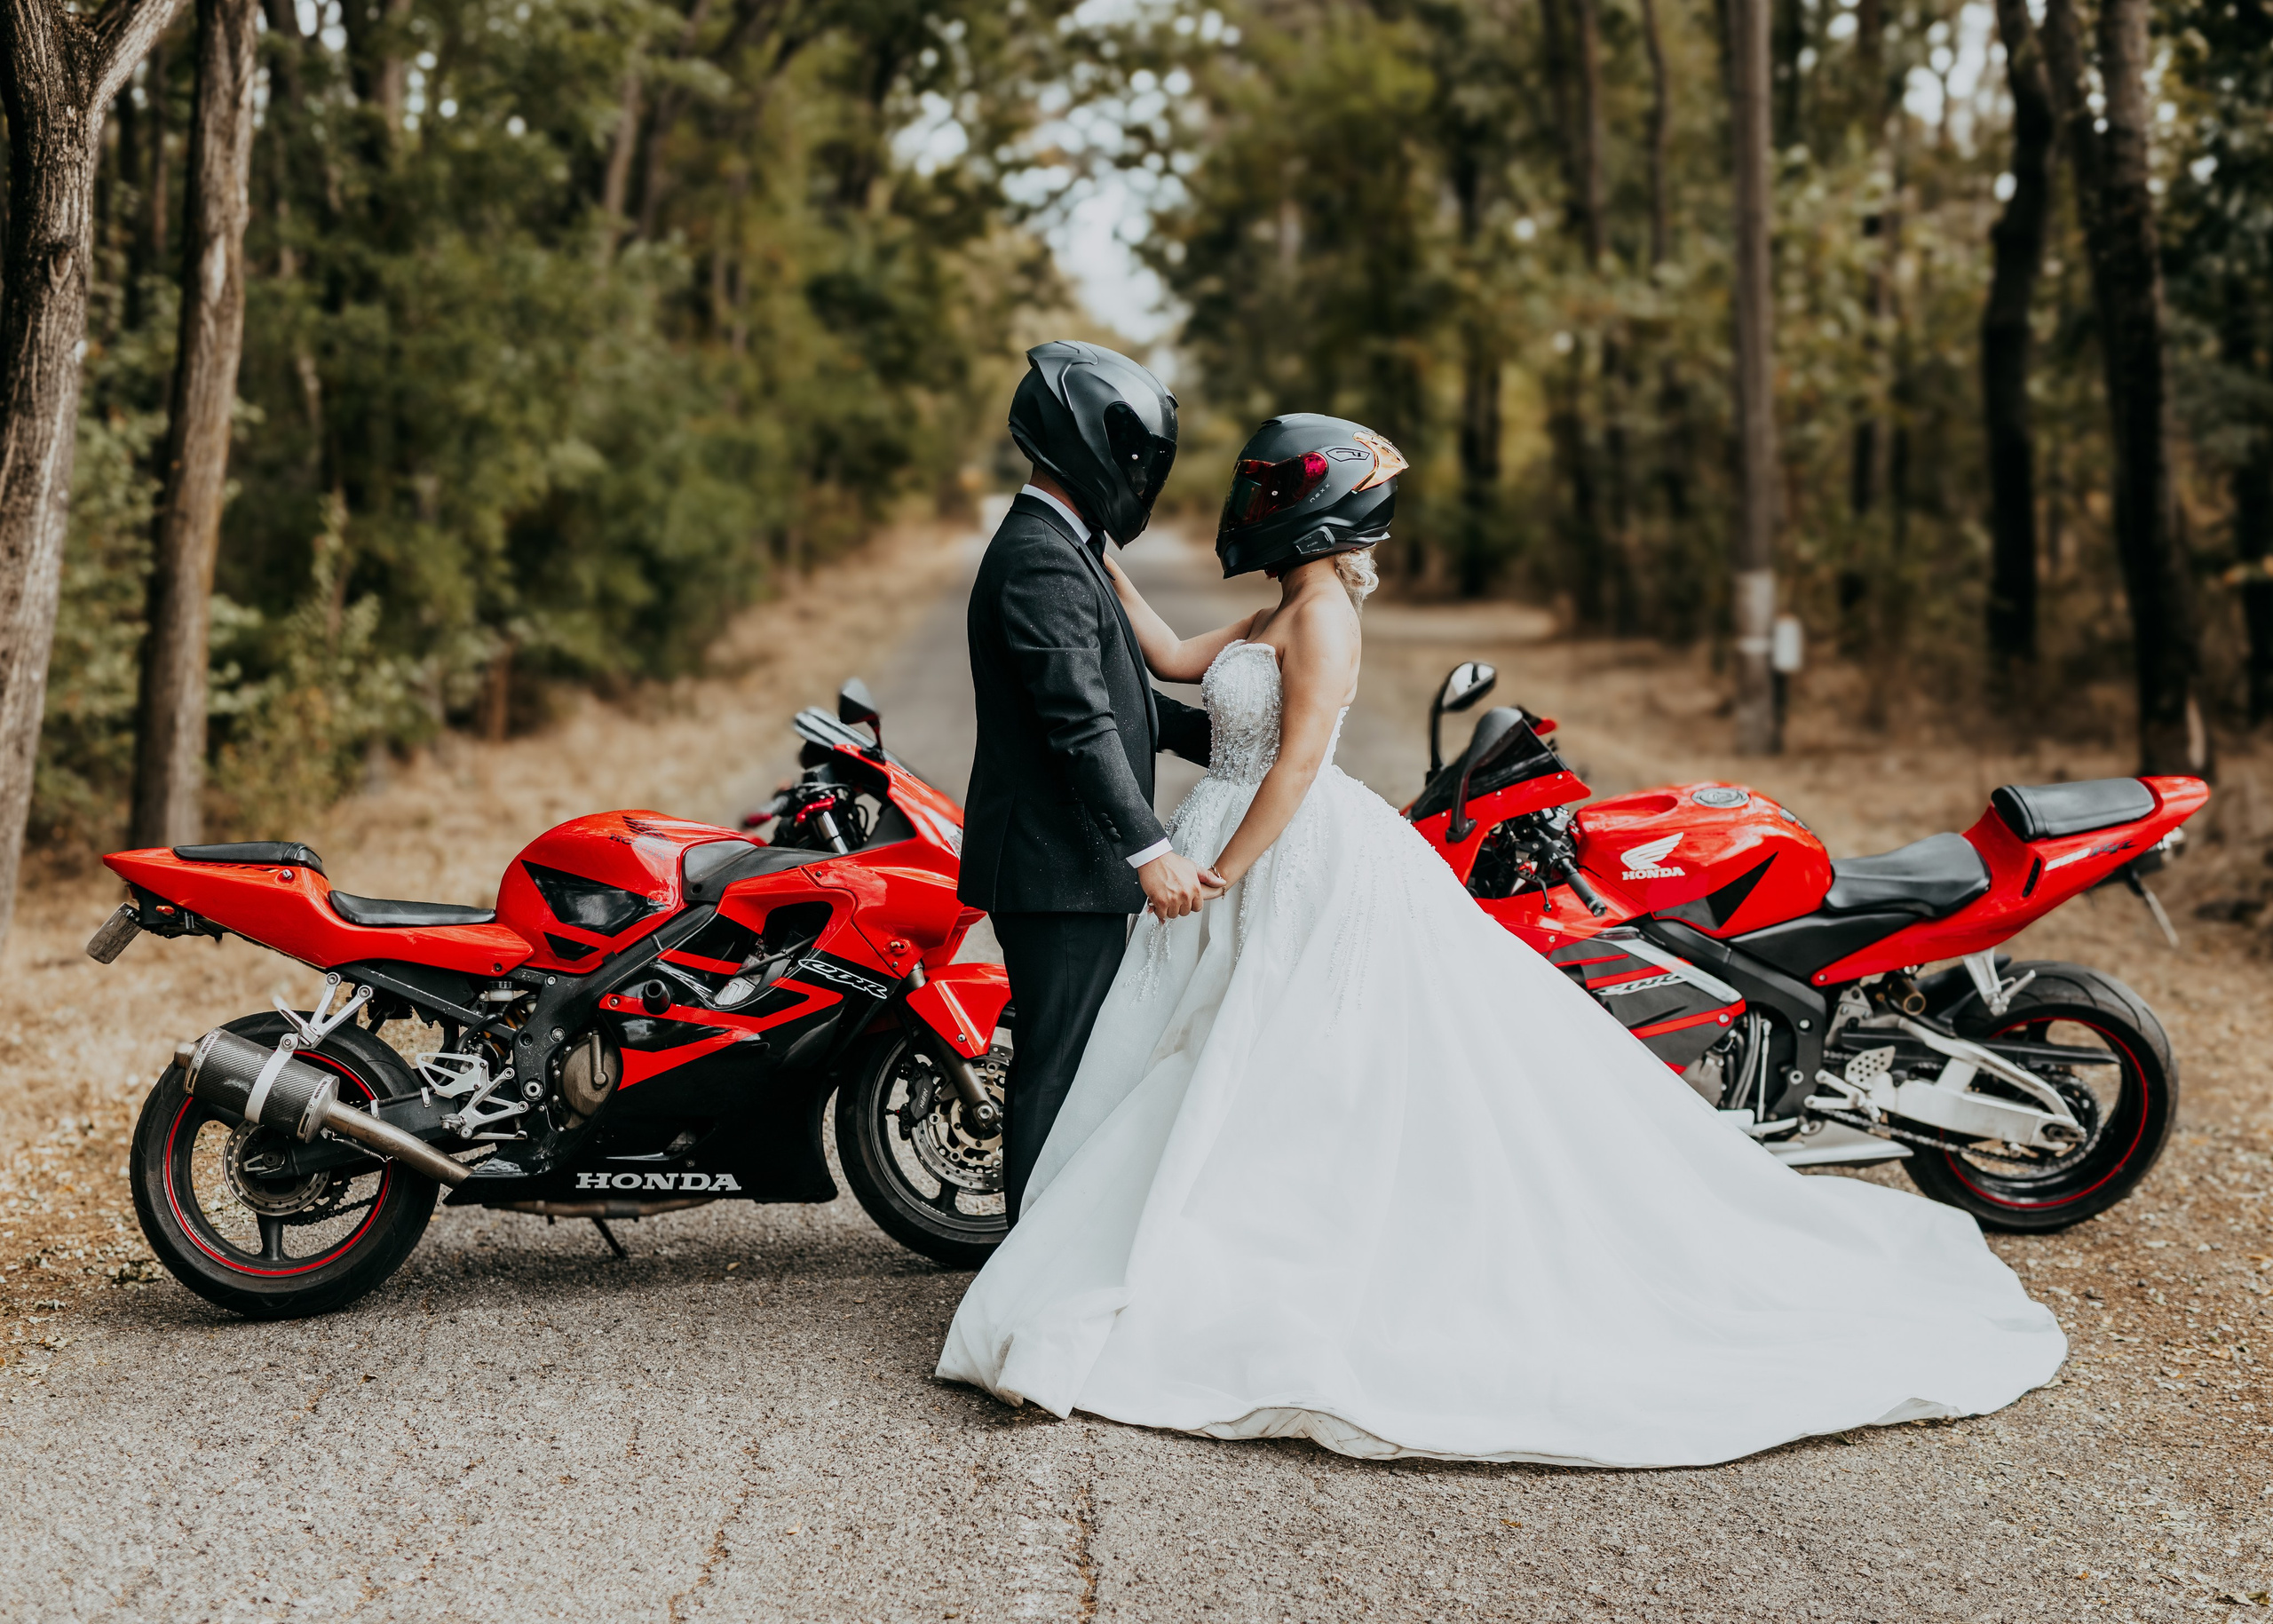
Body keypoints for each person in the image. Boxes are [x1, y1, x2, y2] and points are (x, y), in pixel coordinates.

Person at [937, 412, 2066, 1469]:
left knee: (1285, 1057)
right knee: (1210, 1055)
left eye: (1272, 490)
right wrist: (1091, 549)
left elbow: (1291, 767)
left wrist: (1222, 872)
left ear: (1314, 510)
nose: (1255, 505)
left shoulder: (1325, 615)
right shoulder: (1287, 602)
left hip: (1282, 852)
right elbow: (1178, 658)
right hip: (1232, 836)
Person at [961, 340, 1216, 1224]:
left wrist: (1228, 737)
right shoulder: (1038, 554)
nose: (1140, 474)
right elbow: (1077, 721)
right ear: (1088, 444)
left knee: (1076, 1059)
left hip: (1064, 861)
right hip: (1054, 865)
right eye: (1136, 455)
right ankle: (1023, 1263)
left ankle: (1043, 1249)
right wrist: (1149, 846)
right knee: (1058, 1065)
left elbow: (1118, 694)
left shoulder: (1065, 545)